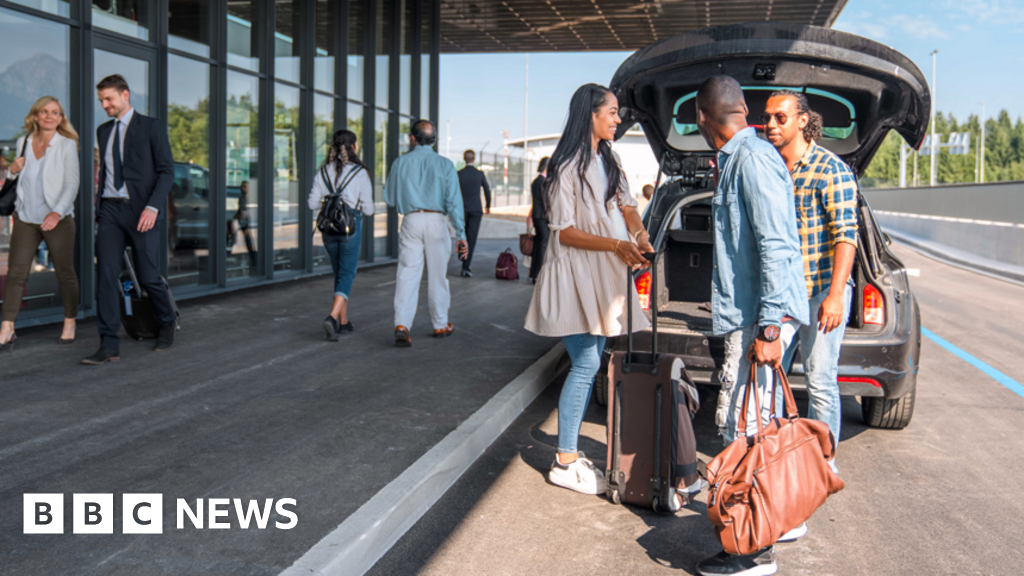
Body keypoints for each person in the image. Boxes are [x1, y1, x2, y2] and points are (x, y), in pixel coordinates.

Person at [692, 76, 809, 576]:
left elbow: (776, 245)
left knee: (742, 431)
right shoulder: (745, 157)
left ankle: (752, 553)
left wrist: (767, 330)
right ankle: (777, 519)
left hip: (762, 317)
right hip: (762, 313)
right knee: (759, 426)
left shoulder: (751, 159)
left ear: (701, 119)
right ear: (742, 108)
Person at [524, 84, 652, 495]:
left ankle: (568, 454)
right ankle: (563, 460)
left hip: (600, 274)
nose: (618, 119)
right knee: (584, 365)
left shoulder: (607, 158)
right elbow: (566, 233)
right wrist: (617, 244)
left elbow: (627, 203)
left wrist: (639, 233)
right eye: (612, 112)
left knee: (590, 362)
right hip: (574, 274)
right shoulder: (565, 166)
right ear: (591, 114)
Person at [764, 90, 857, 466]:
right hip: (782, 294)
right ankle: (774, 457)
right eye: (767, 117)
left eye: (779, 117)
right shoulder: (768, 167)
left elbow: (845, 235)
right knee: (768, 380)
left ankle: (823, 463)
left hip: (820, 291)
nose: (770, 124)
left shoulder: (830, 169)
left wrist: (836, 295)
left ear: (802, 120)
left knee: (820, 381)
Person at [83, 74, 176, 365]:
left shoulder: (151, 126)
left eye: (109, 99)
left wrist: (153, 208)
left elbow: (166, 171)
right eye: (101, 100)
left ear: (125, 95)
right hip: (110, 210)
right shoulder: (103, 131)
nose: (105, 105)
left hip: (142, 211)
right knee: (107, 276)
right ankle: (108, 344)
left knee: (148, 276)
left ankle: (166, 321)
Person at [0, 96, 81, 350]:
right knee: (15, 274)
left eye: (54, 113)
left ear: (60, 118)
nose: (49, 116)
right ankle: (7, 327)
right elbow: (18, 177)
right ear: (35, 116)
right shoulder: (23, 141)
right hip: (26, 218)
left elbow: (72, 184)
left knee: (65, 273)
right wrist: (11, 170)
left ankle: (69, 321)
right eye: (44, 112)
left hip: (57, 220)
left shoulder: (66, 145)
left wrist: (56, 212)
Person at [384, 120, 468, 347]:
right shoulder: (445, 164)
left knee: (407, 274)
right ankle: (440, 324)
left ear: (412, 138)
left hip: (411, 220)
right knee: (438, 275)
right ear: (434, 140)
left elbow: (390, 198)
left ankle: (402, 325)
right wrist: (461, 233)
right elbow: (454, 202)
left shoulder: (400, 162)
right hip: (437, 221)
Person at [309, 129, 374, 340]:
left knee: (340, 273)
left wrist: (329, 201)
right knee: (348, 274)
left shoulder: (323, 171)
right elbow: (369, 210)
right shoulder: (360, 172)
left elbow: (311, 203)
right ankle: (332, 318)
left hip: (328, 230)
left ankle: (343, 323)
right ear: (354, 147)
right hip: (350, 229)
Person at [456, 149, 491, 277]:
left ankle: (462, 252)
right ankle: (466, 267)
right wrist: (488, 206)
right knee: (471, 238)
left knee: (462, 234)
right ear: (474, 159)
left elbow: (453, 192)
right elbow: (487, 190)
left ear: (464, 159)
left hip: (461, 210)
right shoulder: (479, 174)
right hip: (476, 210)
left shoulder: (459, 174)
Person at [525, 156, 550, 283]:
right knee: (543, 245)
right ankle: (538, 274)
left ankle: (533, 273)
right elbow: (546, 202)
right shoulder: (544, 182)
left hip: (536, 216)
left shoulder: (535, 181)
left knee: (537, 245)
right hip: (543, 217)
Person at [231, 180, 257, 266]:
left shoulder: (250, 199)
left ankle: (254, 258)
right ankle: (252, 257)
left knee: (249, 240)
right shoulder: (241, 198)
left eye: (244, 187)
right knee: (247, 240)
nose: (242, 188)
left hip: (247, 223)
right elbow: (240, 210)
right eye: (241, 186)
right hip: (242, 222)